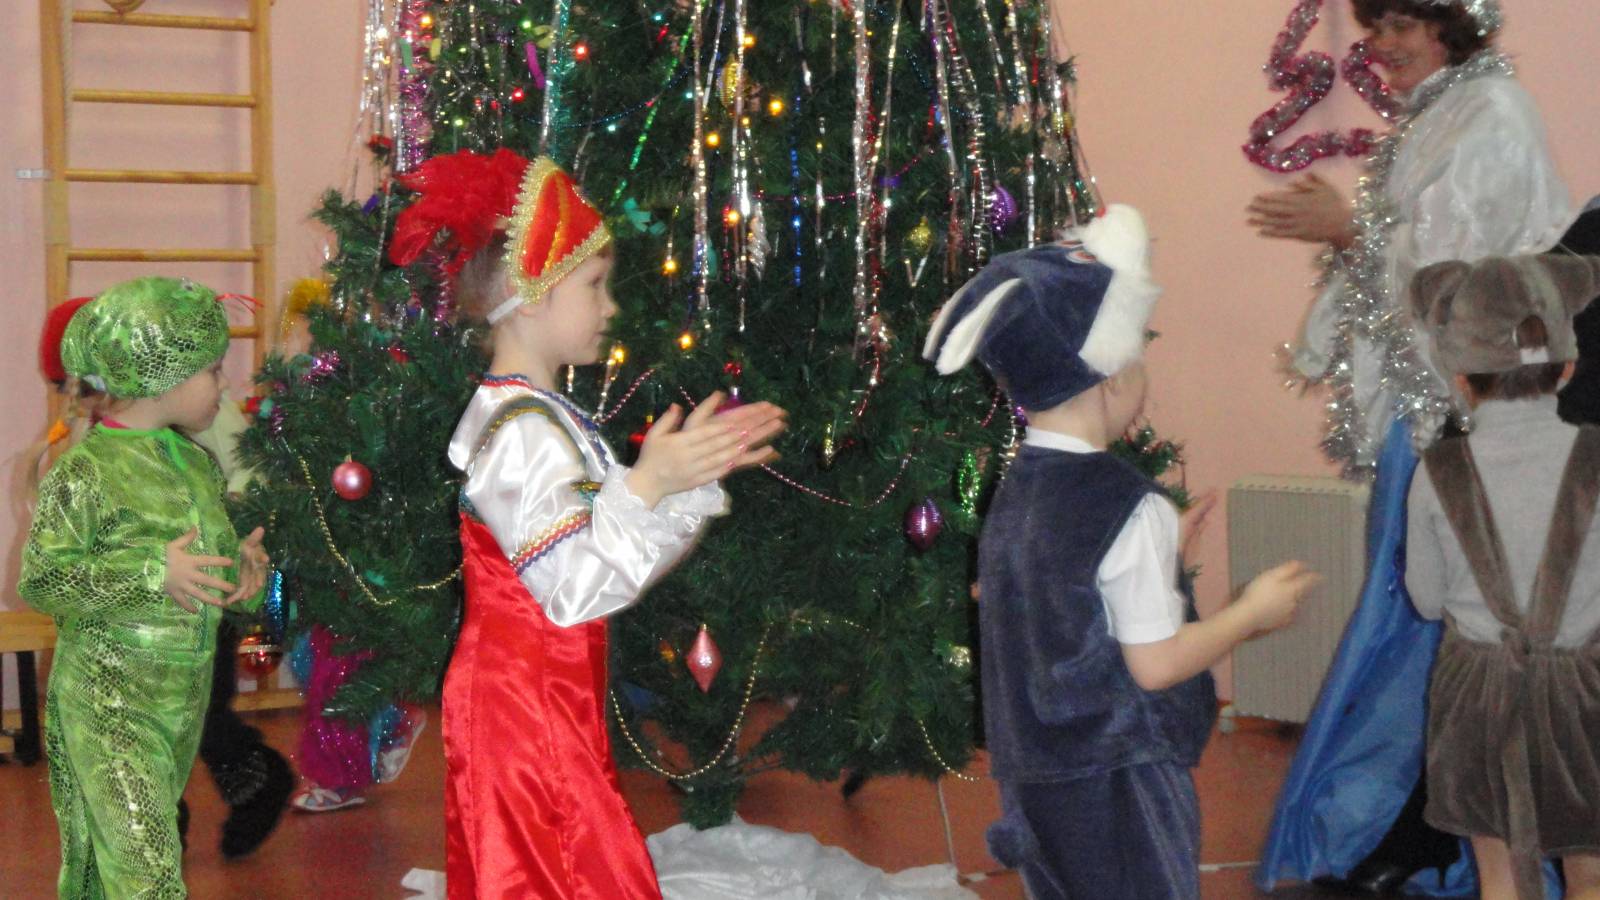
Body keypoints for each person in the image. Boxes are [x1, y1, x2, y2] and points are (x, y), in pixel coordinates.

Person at [385, 148, 786, 898]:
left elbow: (615, 567)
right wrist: (650, 484)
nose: (610, 307)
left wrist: (682, 485)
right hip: (524, 706)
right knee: (570, 871)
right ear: (531, 294)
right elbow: (573, 587)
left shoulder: (542, 416)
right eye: (594, 285)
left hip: (547, 698)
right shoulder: (519, 433)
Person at [1246, 1, 1574, 892]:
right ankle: (1409, 837)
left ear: (1451, 23)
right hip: (1430, 413)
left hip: (1466, 419)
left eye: (1402, 24)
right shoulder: (1443, 110)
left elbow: (1471, 277)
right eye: (1376, 24)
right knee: (1418, 630)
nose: (1382, 44)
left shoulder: (1492, 114)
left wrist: (1352, 227)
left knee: (1439, 631)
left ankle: (1422, 844)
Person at [922, 205, 1322, 898]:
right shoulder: (1127, 504)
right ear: (1110, 375)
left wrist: (1164, 547)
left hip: (1037, 784)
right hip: (1119, 779)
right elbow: (1156, 664)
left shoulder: (1018, 487)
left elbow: (1056, 591)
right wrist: (1250, 614)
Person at [19, 277, 271, 898]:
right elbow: (42, 579)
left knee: (129, 870)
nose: (224, 385)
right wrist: (153, 572)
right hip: (108, 707)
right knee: (149, 876)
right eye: (213, 370)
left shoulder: (196, 463)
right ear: (164, 377)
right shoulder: (85, 472)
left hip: (178, 706)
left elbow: (208, 572)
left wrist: (244, 573)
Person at [1405, 252, 1600, 900]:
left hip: (1477, 699)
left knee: (1500, 875)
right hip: (1588, 694)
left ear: (1462, 378)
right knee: (1592, 871)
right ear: (1566, 367)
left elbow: (1425, 601)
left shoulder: (1436, 472)